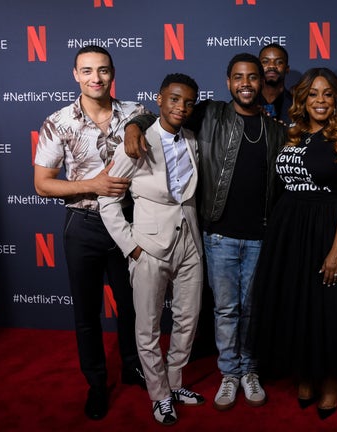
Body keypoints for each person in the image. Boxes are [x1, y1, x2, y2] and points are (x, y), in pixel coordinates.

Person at [124, 53, 287, 412]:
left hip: (260, 236)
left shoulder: (275, 130)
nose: (246, 83)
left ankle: (250, 370)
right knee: (226, 310)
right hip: (218, 236)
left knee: (252, 309)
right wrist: (134, 124)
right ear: (228, 82)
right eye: (238, 77)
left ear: (262, 83)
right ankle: (229, 373)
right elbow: (167, 115)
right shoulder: (210, 113)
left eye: (253, 77)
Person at [33, 45, 146, 421]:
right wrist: (93, 184)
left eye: (102, 71)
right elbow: (42, 185)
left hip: (130, 225)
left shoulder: (136, 113)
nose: (95, 78)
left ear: (113, 73)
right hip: (82, 227)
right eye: (86, 71)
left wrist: (134, 125)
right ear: (75, 75)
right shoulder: (58, 121)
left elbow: (157, 130)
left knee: (132, 307)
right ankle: (97, 383)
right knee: (86, 313)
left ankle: (133, 368)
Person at [249, 67, 337, 420]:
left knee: (327, 306)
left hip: (326, 228)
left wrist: (336, 249)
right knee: (296, 302)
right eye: (313, 94)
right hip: (290, 230)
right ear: (302, 99)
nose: (320, 100)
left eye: (327, 94)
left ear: (336, 99)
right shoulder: (293, 133)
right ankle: (304, 374)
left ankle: (329, 383)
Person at [99, 73, 205, 426]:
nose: (182, 107)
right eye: (174, 99)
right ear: (159, 100)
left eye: (188, 102)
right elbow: (106, 200)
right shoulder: (137, 141)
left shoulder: (191, 138)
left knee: (187, 321)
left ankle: (176, 384)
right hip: (149, 247)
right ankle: (159, 395)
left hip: (190, 243)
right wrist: (132, 248)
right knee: (146, 328)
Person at [259, 43, 293, 125]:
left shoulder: (297, 105)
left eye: (279, 62)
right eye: (265, 62)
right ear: (257, 67)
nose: (271, 66)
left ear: (287, 69)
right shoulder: (247, 104)